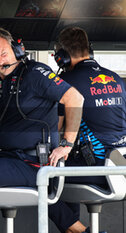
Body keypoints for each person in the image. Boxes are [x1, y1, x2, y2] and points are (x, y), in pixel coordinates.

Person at [0, 27, 86, 233]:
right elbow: (5, 124)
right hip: (9, 158)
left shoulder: (35, 72)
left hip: (32, 162)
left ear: (16, 50)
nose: (0, 61)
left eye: (4, 53)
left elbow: (75, 98)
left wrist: (66, 145)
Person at [55, 26, 126, 232]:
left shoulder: (66, 83)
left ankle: (82, 231)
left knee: (40, 177)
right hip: (120, 168)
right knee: (65, 164)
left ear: (62, 57)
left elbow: (54, 128)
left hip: (97, 170)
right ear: (90, 50)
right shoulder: (116, 79)